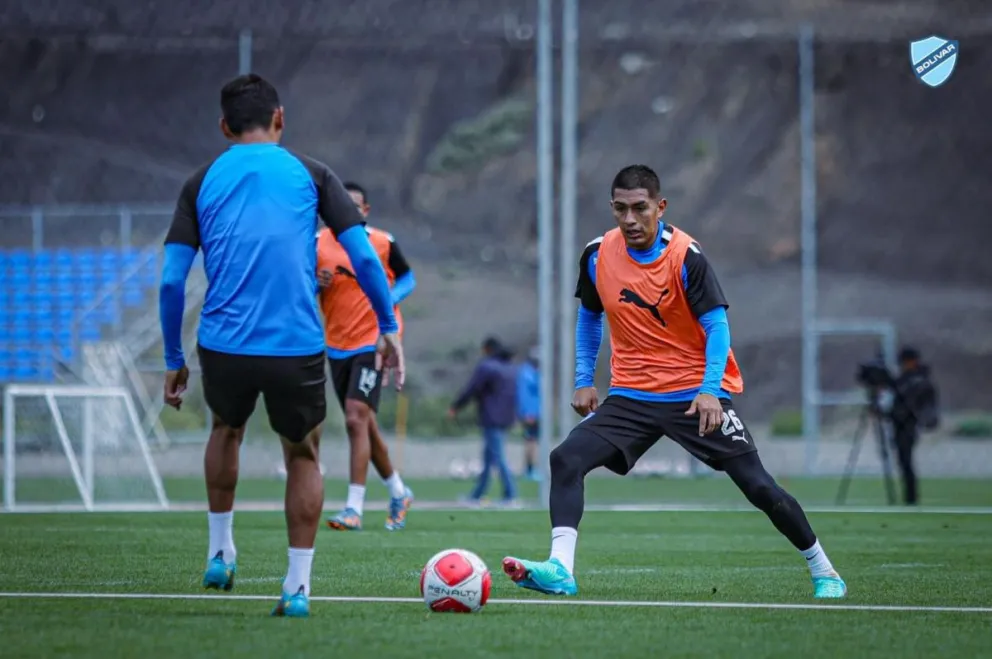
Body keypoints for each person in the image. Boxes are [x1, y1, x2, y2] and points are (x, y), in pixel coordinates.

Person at [501, 164, 846, 599]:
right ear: (612, 208)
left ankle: (825, 570)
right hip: (631, 395)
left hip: (693, 393)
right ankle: (560, 569)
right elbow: (590, 315)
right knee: (565, 459)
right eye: (621, 209)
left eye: (640, 208)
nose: (630, 219)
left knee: (758, 486)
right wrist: (584, 379)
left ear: (659, 207)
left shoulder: (686, 256)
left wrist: (709, 390)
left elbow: (717, 327)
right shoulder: (596, 254)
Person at [158, 74, 404, 619]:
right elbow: (363, 258)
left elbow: (172, 281)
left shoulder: (200, 182)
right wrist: (387, 324)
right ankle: (296, 587)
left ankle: (220, 552)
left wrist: (174, 361)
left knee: (227, 430)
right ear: (280, 119)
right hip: (294, 344)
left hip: (222, 343)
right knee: (302, 452)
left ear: (224, 127)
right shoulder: (312, 174)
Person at [318, 181, 415, 531]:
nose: (349, 210)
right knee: (364, 424)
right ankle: (399, 491)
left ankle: (353, 508)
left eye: (355, 205)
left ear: (366, 210)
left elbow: (408, 278)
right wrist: (318, 284)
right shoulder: (318, 243)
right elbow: (302, 284)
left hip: (374, 341)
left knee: (356, 418)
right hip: (336, 345)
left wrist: (389, 298)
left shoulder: (382, 242)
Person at [448, 337, 519, 506]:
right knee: (488, 458)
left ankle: (511, 495)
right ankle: (477, 495)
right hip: (506, 418)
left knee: (498, 456)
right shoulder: (510, 368)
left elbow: (472, 389)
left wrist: (456, 406)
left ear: (487, 349)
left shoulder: (487, 367)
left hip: (491, 417)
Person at [889, 345, 939, 505]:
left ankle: (911, 498)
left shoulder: (918, 380)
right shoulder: (904, 379)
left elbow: (913, 404)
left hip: (908, 424)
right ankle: (910, 497)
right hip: (900, 423)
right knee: (904, 461)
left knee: (906, 460)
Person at [516, 346, 542, 481]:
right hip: (531, 413)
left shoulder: (534, 371)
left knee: (533, 441)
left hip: (536, 412)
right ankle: (530, 469)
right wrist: (528, 413)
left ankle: (531, 468)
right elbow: (524, 395)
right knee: (530, 441)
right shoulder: (526, 373)